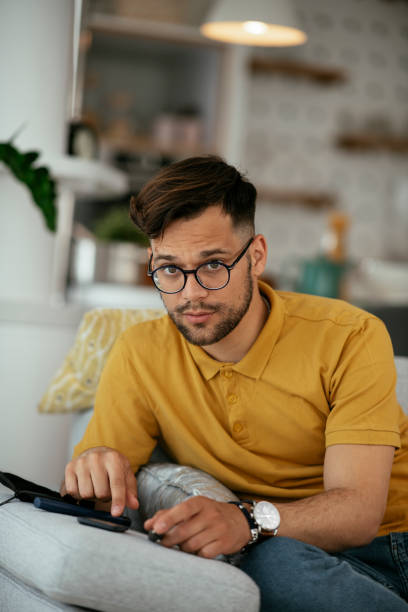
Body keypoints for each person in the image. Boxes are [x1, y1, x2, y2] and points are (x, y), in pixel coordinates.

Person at [62, 155, 408, 611]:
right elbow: (103, 485)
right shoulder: (140, 352)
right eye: (169, 269)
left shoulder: (350, 336)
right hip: (273, 549)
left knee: (272, 564)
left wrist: (245, 521)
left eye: (213, 266)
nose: (190, 294)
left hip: (387, 550)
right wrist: (95, 465)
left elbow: (359, 513)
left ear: (257, 256)